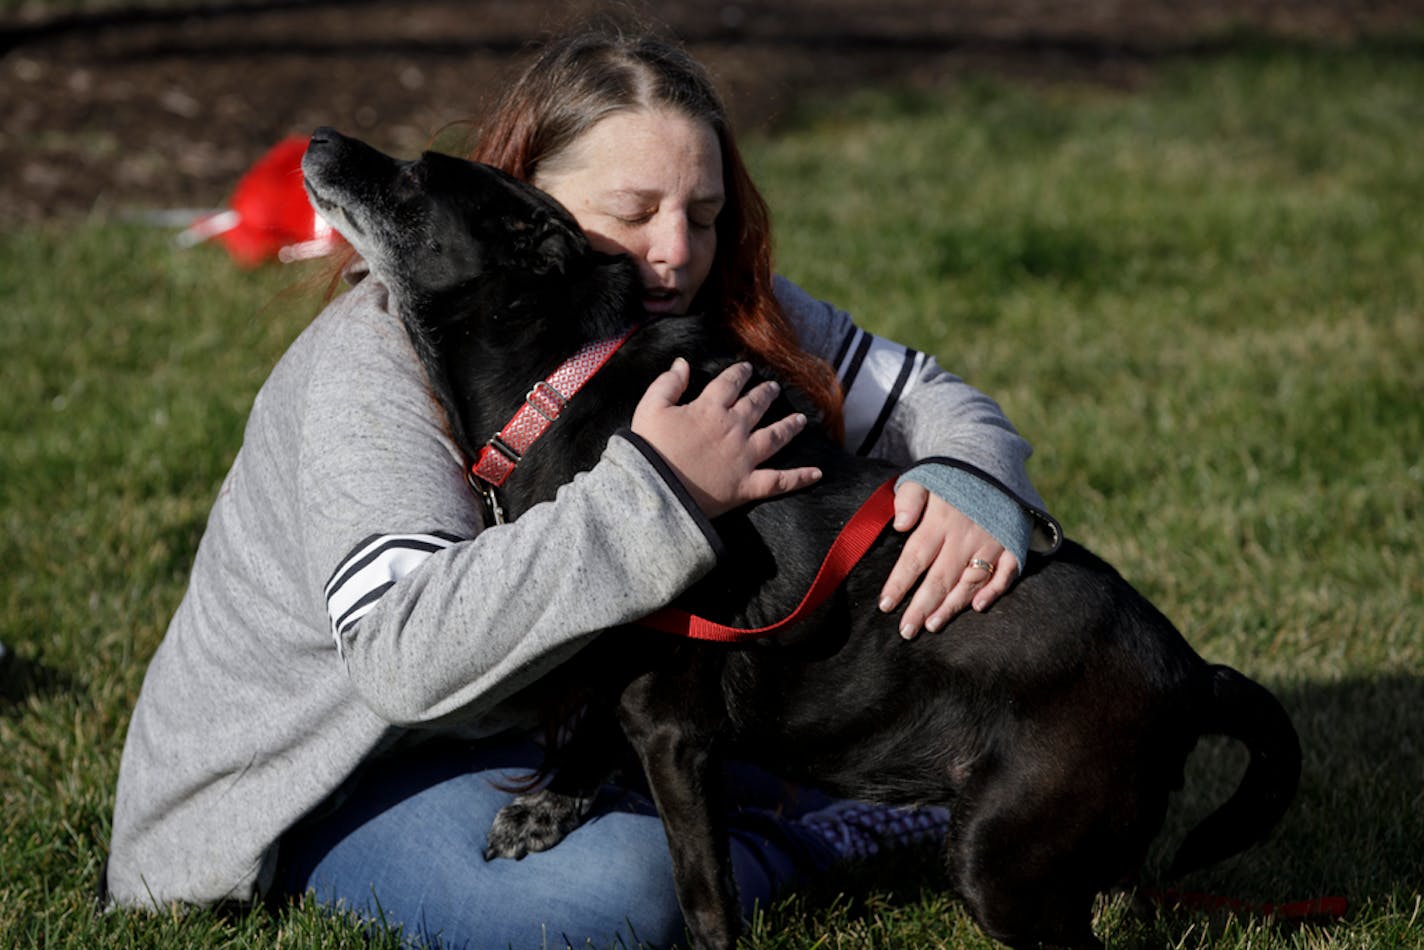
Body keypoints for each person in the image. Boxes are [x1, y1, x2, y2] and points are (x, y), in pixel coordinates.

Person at [106, 24, 1059, 949]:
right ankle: (825, 830)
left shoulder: (677, 300)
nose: (676, 251)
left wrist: (970, 482)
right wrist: (664, 491)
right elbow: (404, 665)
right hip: (333, 772)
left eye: (706, 213)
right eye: (633, 213)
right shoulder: (375, 365)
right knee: (608, 901)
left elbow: (928, 397)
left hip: (563, 731)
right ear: (526, 206)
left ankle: (791, 792)